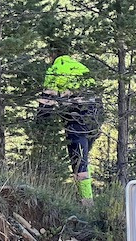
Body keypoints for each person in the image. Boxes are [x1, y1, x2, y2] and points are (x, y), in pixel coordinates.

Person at [37, 48, 103, 208]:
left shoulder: (54, 70)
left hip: (77, 115)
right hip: (96, 114)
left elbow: (47, 101)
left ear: (51, 55)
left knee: (79, 161)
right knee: (83, 156)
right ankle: (84, 196)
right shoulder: (80, 66)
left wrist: (40, 123)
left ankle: (87, 204)